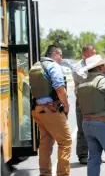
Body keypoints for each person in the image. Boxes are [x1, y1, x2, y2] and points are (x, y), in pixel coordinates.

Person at [75, 54, 105, 176]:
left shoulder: (81, 85)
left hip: (87, 123)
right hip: (104, 124)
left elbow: (80, 105)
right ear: (101, 67)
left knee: (93, 157)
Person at [29, 45, 71, 176]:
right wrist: (66, 105)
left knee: (45, 144)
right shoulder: (53, 66)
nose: (61, 58)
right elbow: (59, 88)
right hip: (51, 109)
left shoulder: (36, 66)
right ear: (54, 54)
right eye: (61, 55)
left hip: (37, 110)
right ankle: (63, 174)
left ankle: (45, 173)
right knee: (65, 142)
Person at [72, 44, 105, 164]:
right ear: (85, 54)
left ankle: (96, 155)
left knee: (98, 129)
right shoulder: (77, 67)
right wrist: (98, 72)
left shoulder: (99, 65)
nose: (95, 53)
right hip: (83, 102)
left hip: (98, 101)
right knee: (83, 129)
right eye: (92, 52)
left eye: (95, 51)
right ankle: (83, 155)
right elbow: (86, 79)